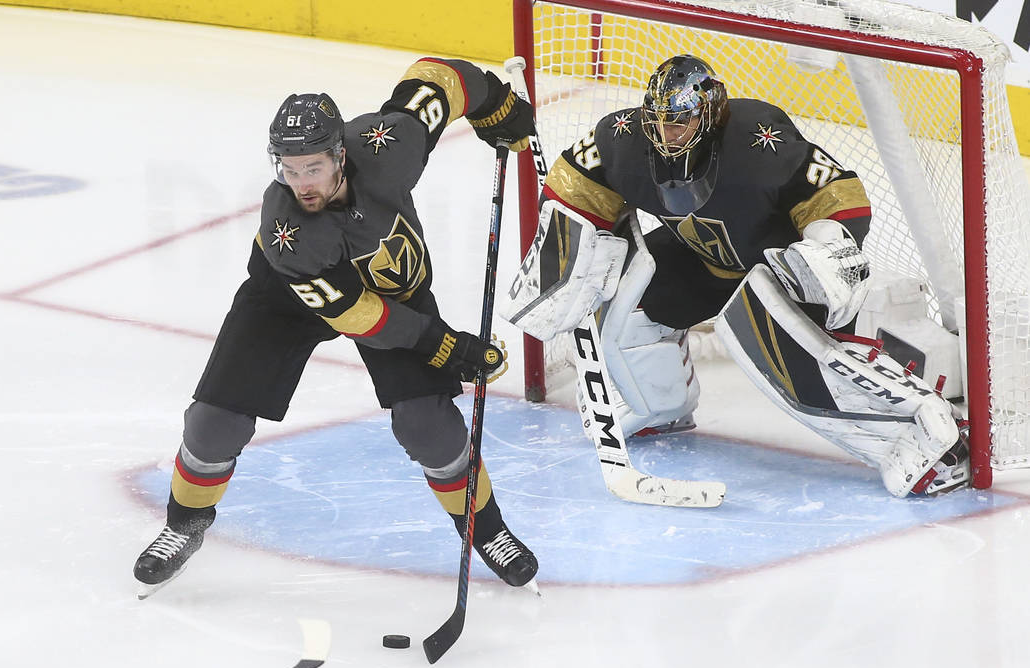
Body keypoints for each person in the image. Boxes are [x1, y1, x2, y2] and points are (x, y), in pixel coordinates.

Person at [134, 57, 539, 595]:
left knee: (428, 427)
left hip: (393, 288)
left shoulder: (389, 145)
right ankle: (183, 524)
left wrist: (495, 103)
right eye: (289, 168)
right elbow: (355, 315)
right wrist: (440, 344)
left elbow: (437, 78)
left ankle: (487, 530)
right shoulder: (289, 228)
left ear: (341, 155)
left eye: (314, 167)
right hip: (287, 298)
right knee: (213, 425)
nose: (302, 183)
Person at [503, 55, 970, 498]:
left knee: (787, 367)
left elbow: (835, 191)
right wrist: (565, 253)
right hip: (698, 261)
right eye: (659, 120)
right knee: (629, 310)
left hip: (776, 273)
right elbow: (574, 189)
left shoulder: (759, 139)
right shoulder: (622, 139)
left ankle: (932, 440)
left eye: (680, 121)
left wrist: (829, 248)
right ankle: (660, 406)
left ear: (708, 116)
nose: (667, 133)